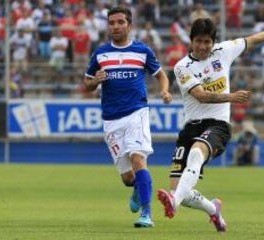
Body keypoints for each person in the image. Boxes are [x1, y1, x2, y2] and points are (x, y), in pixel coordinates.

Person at [156, 18, 264, 232]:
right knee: (181, 192)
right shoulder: (182, 67)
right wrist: (231, 96)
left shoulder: (224, 51)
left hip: (218, 125)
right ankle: (213, 209)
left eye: (208, 42)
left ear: (213, 41)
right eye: (199, 41)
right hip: (191, 127)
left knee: (196, 154)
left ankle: (173, 203)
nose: (204, 46)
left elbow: (253, 39)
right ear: (191, 41)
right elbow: (201, 96)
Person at [83, 6, 172, 228]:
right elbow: (87, 84)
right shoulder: (100, 54)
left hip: (137, 112)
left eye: (120, 22)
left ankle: (146, 214)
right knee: (127, 178)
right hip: (111, 119)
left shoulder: (143, 51)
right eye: (111, 23)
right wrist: (96, 80)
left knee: (138, 159)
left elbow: (161, 75)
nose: (115, 26)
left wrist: (164, 90)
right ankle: (136, 189)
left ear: (129, 25)